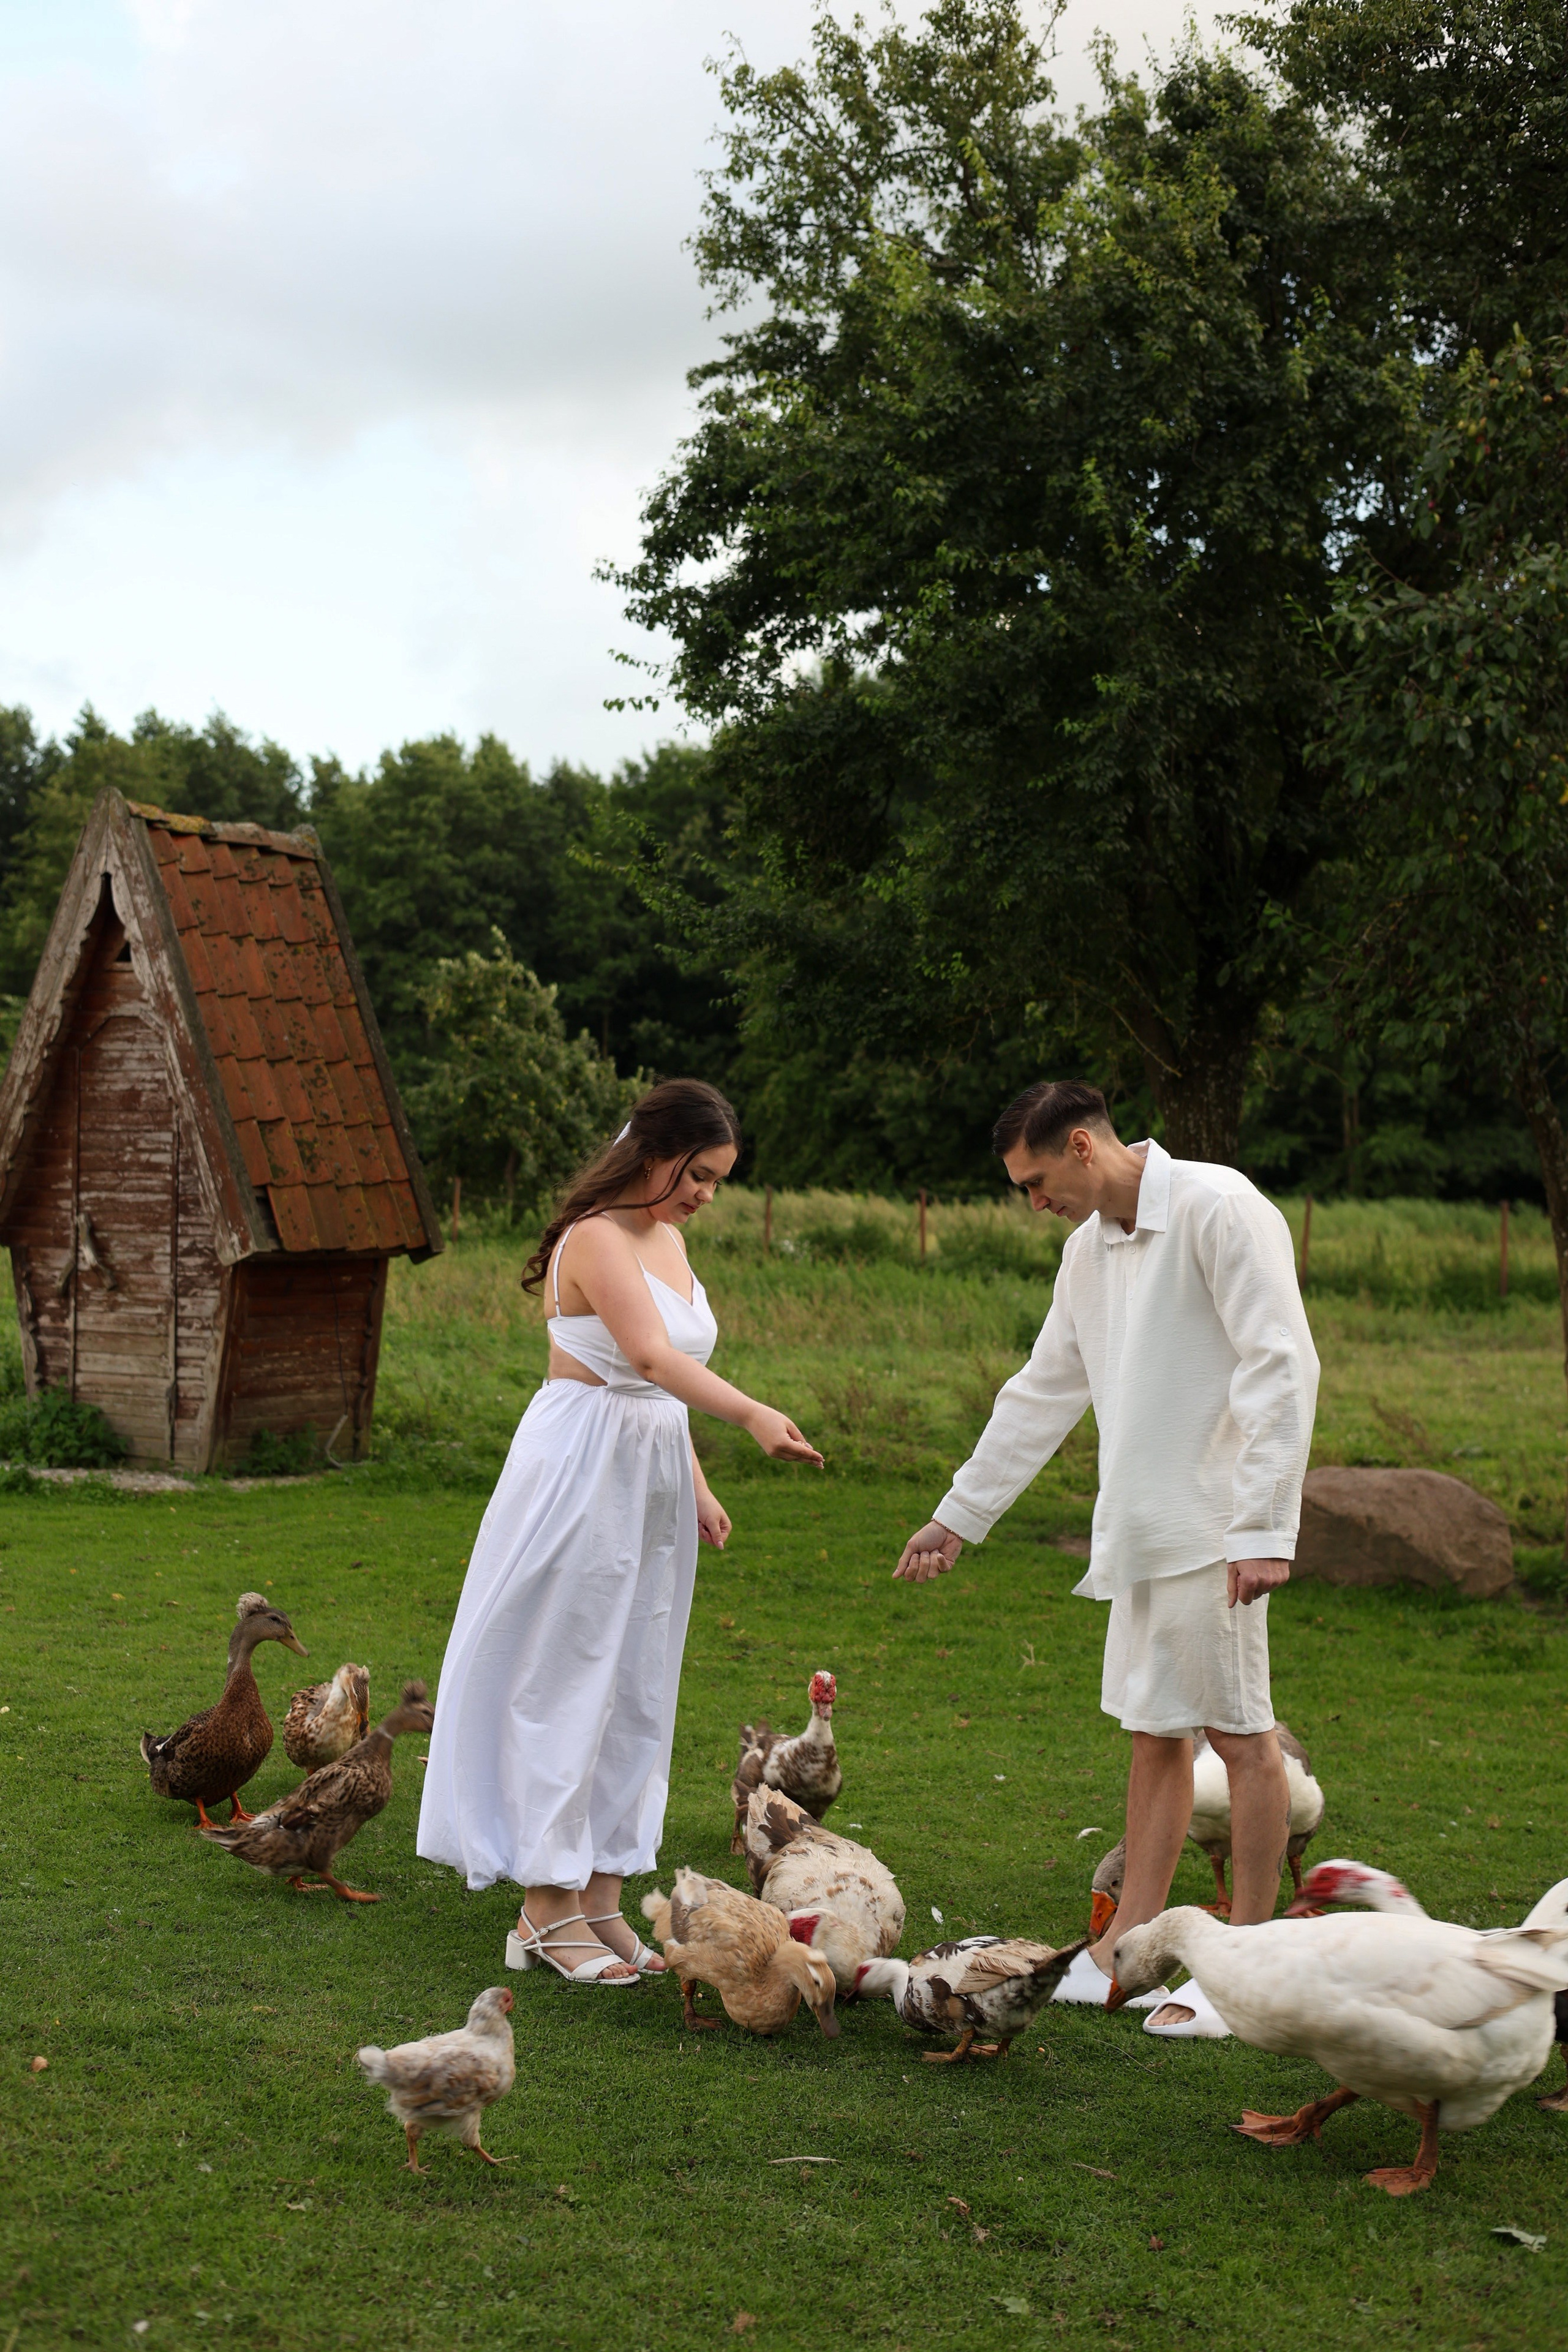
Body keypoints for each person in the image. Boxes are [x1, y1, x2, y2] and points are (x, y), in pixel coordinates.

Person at [893, 1081, 1318, 2035]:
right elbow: (1043, 1389)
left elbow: (1281, 1363)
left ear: (1083, 1146)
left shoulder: (1220, 1207)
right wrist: (960, 1515)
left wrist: (1261, 1528)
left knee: (1243, 1740)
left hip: (1217, 1533)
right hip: (1140, 1533)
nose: (1034, 1205)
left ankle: (1238, 1967)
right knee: (1155, 1734)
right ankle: (1125, 1947)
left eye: (1037, 1182)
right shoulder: (1089, 1255)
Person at [418, 1079, 822, 1984]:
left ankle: (600, 1896)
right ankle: (542, 1908)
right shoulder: (595, 1237)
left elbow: (658, 1392)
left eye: (719, 1181)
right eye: (700, 1174)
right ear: (656, 1149)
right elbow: (644, 1359)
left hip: (648, 1474)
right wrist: (753, 1414)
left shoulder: (668, 1237)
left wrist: (696, 1480)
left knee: (635, 1686)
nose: (706, 1195)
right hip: (581, 1474)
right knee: (566, 1681)